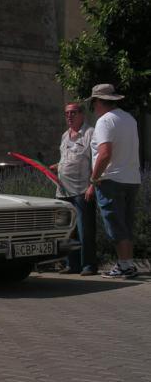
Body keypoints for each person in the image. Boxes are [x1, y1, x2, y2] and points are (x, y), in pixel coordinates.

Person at [84, 84, 141, 278]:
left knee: (115, 224)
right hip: (131, 178)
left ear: (99, 102)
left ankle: (124, 266)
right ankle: (127, 263)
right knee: (126, 223)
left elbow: (105, 154)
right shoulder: (129, 119)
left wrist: (94, 179)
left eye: (93, 103)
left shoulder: (105, 121)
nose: (94, 108)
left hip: (111, 179)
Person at [49, 102, 97, 276]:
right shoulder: (64, 136)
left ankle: (89, 265)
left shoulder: (90, 133)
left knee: (85, 230)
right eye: (66, 113)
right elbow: (66, 158)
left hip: (81, 189)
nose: (69, 116)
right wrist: (57, 166)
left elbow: (95, 160)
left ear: (82, 114)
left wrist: (93, 184)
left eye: (73, 113)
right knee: (68, 230)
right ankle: (72, 263)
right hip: (63, 191)